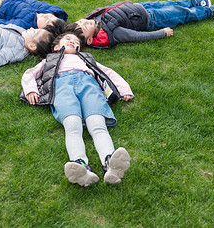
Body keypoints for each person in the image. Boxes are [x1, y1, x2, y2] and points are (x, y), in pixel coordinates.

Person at [20, 31, 134, 186]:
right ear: (56, 47)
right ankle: (80, 166)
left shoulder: (86, 59)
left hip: (89, 86)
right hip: (62, 87)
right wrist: (31, 89)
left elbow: (108, 73)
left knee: (98, 125)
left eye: (76, 42)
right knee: (72, 125)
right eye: (68, 39)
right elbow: (30, 74)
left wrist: (124, 89)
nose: (73, 42)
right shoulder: (50, 59)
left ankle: (111, 163)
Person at [65, 0, 214, 48]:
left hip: (141, 6)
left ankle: (198, 2)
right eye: (84, 27)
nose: (84, 22)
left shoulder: (95, 20)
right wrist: (161, 33)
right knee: (179, 12)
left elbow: (107, 8)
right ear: (89, 40)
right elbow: (137, 36)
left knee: (170, 2)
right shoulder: (111, 34)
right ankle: (213, 11)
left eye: (80, 21)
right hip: (152, 19)